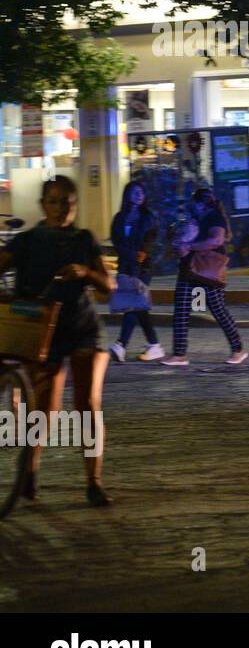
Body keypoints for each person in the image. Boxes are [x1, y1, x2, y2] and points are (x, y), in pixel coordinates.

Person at [0, 176, 114, 506]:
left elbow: (109, 285)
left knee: (87, 406)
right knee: (44, 409)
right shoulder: (26, 241)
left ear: (75, 206)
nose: (61, 207)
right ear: (42, 205)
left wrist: (86, 273)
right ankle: (30, 471)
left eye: (67, 201)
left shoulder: (84, 239)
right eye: (54, 201)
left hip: (83, 328)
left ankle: (93, 481)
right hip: (41, 333)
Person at [161, 187, 244, 366]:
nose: (193, 206)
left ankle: (238, 349)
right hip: (189, 268)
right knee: (181, 309)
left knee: (218, 309)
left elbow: (216, 241)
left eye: (196, 202)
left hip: (208, 270)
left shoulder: (215, 217)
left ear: (200, 203)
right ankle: (179, 355)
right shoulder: (196, 219)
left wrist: (189, 245)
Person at [109, 179, 166, 363]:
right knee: (138, 305)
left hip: (142, 268)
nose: (139, 195)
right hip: (125, 266)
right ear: (127, 195)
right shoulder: (119, 217)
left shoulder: (148, 217)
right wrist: (131, 254)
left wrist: (139, 254)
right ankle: (154, 344)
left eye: (141, 192)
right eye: (135, 192)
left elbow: (150, 243)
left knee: (134, 303)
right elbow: (116, 242)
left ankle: (121, 345)